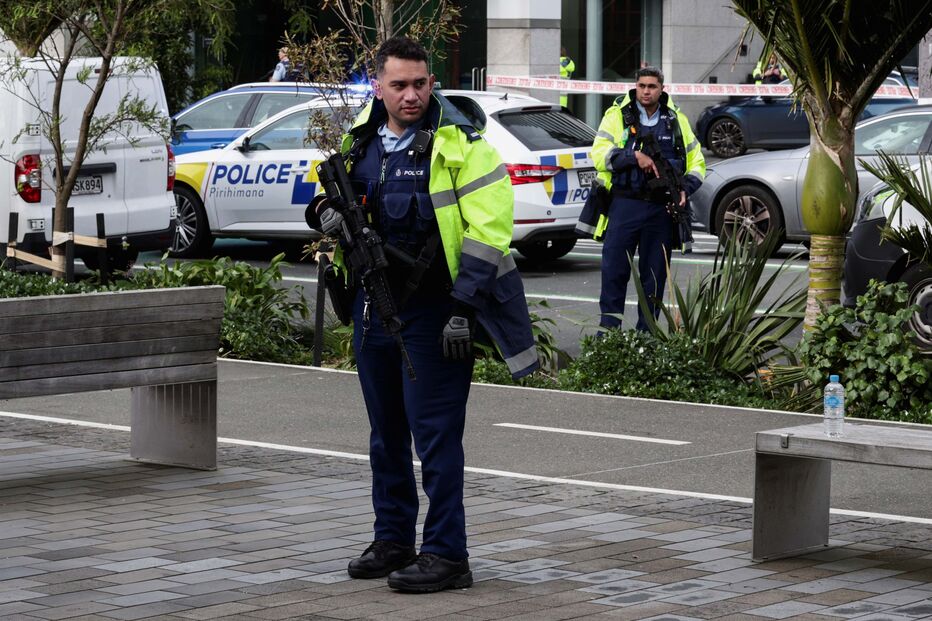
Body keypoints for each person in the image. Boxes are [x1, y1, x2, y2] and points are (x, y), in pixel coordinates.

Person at [312, 36, 539, 593]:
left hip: (438, 310)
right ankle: (393, 538)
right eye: (399, 85)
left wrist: (462, 309)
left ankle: (447, 554)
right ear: (378, 87)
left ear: (430, 84)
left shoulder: (464, 146)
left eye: (420, 84)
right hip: (373, 306)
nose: (411, 95)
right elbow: (323, 201)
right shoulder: (361, 141)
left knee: (435, 438)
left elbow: (489, 234)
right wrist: (326, 216)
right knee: (385, 435)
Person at [586, 66, 705, 331]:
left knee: (654, 277)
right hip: (624, 205)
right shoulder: (617, 116)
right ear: (635, 87)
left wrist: (685, 187)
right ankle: (608, 334)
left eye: (652, 86)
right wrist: (632, 157)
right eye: (642, 86)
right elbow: (599, 154)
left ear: (661, 89)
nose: (646, 91)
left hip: (660, 210)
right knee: (614, 272)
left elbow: (697, 161)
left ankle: (646, 338)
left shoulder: (676, 120)